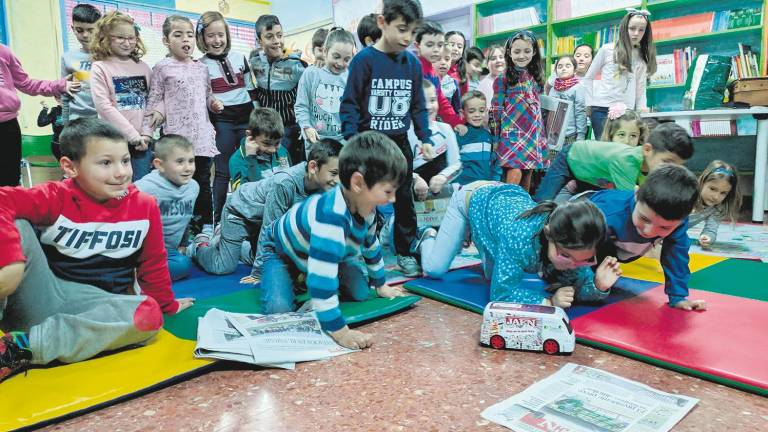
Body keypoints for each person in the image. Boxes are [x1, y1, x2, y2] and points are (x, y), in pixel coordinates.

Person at [0, 118, 193, 383]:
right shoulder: (56, 196)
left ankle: (19, 349)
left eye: (125, 161)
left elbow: (154, 263)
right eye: (105, 163)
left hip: (96, 311)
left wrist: (167, 305)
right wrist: (10, 262)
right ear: (70, 167)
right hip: (42, 296)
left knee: (149, 315)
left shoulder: (144, 206)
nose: (121, 173)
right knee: (16, 224)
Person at [259, 131, 409, 350]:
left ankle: (307, 274)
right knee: (279, 311)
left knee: (360, 292)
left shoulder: (367, 207)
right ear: (358, 183)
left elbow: (370, 244)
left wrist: (381, 284)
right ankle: (298, 274)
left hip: (320, 250)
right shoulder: (331, 216)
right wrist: (340, 333)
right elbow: (321, 282)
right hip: (281, 251)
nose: (392, 199)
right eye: (388, 191)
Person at [416, 182, 620, 307]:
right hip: (471, 198)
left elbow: (578, 286)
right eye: (565, 256)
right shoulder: (520, 239)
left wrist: (598, 285)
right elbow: (500, 294)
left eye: (584, 261)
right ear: (548, 234)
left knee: (491, 274)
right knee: (434, 269)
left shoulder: (574, 243)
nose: (573, 265)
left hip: (501, 208)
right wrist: (548, 302)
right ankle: (427, 236)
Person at [340, 0, 431, 277]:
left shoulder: (412, 64)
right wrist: (353, 140)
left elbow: (418, 105)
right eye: (402, 29)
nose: (407, 38)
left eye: (412, 32)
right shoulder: (364, 60)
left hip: (399, 142)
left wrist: (424, 136)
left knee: (403, 199)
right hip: (369, 143)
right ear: (382, 23)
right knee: (363, 200)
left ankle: (405, 252)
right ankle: (354, 251)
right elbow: (350, 103)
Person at [191, 139, 342, 280]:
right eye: (334, 173)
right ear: (313, 167)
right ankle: (200, 246)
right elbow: (269, 229)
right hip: (240, 212)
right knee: (223, 266)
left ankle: (225, 242)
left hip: (263, 216)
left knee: (259, 256)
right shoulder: (285, 184)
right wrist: (258, 273)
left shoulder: (325, 186)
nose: (338, 180)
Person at [143, 15, 223, 237]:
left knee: (202, 181)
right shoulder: (161, 67)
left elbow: (207, 94)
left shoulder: (201, 68)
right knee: (176, 184)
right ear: (166, 41)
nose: (185, 39)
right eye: (178, 35)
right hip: (176, 138)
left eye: (189, 34)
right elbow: (154, 99)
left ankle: (206, 226)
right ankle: (180, 229)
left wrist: (213, 104)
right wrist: (146, 133)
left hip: (202, 136)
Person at [586, 164, 706, 311]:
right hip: (575, 224)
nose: (649, 231)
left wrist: (678, 297)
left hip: (618, 245)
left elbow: (676, 257)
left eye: (664, 227)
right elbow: (571, 244)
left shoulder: (677, 221)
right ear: (636, 195)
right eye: (644, 218)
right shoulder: (608, 215)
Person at [534, 122, 693, 203]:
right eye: (667, 161)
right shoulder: (626, 163)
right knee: (543, 202)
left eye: (678, 166)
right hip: (571, 157)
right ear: (647, 149)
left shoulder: (651, 166)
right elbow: (630, 203)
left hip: (594, 173)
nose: (673, 170)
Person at [197, 11, 256, 225]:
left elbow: (251, 90)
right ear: (202, 38)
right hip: (223, 122)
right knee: (222, 173)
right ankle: (218, 221)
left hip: (247, 119)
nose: (217, 40)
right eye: (211, 35)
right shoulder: (200, 65)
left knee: (248, 167)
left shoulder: (240, 58)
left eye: (220, 34)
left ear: (227, 35)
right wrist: (213, 103)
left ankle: (249, 216)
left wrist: (256, 117)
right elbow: (204, 96)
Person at [0, 44, 79, 187]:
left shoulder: (3, 52)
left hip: (7, 125)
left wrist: (58, 86)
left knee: (9, 179)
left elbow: (26, 83)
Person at [89, 11, 153, 181]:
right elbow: (104, 106)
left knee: (141, 187)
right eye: (120, 38)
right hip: (113, 141)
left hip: (142, 143)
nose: (127, 43)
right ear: (106, 38)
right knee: (116, 187)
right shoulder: (100, 67)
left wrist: (146, 133)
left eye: (131, 38)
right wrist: (132, 135)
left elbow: (151, 103)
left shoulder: (144, 67)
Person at [583, 9, 657, 139]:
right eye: (632, 28)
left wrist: (640, 110)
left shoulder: (642, 57)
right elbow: (588, 78)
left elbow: (640, 88)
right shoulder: (607, 49)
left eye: (641, 30)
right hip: (601, 110)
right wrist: (588, 104)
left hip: (627, 112)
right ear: (624, 28)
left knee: (621, 151)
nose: (636, 33)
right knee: (604, 150)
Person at [134, 135, 199, 281]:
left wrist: (183, 244)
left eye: (191, 161)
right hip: (141, 251)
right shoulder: (144, 188)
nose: (188, 168)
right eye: (180, 162)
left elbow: (186, 217)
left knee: (183, 264)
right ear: (159, 165)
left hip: (168, 252)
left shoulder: (194, 187)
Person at [490, 30, 547, 190]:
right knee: (514, 172)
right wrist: (495, 139)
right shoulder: (503, 78)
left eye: (527, 51)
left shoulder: (535, 78)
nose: (522, 55)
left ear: (534, 52)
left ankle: (524, 209)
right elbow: (495, 110)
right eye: (517, 51)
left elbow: (537, 110)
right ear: (509, 52)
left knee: (528, 173)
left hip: (532, 135)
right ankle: (508, 207)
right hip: (512, 135)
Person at [250, 14, 307, 164]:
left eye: (279, 35)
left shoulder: (296, 65)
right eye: (269, 37)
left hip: (289, 129)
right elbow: (254, 91)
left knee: (287, 167)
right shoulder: (255, 63)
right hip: (265, 130)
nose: (277, 41)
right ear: (259, 41)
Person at [295, 28, 355, 149]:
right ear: (326, 51)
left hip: (343, 141)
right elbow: (301, 106)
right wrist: (306, 127)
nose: (340, 63)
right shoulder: (311, 74)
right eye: (336, 56)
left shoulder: (350, 77)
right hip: (316, 141)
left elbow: (353, 109)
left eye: (346, 59)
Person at [411, 80, 461, 201]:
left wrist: (443, 176)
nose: (428, 106)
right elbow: (398, 169)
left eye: (432, 100)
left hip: (443, 197)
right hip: (411, 200)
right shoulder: (403, 134)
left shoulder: (445, 129)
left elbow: (457, 164)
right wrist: (415, 178)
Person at [413, 21, 464, 130]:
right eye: (430, 45)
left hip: (427, 125)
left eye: (440, 45)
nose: (436, 49)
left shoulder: (433, 73)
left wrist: (455, 122)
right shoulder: (412, 68)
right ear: (418, 46)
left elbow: (440, 100)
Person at [228, 107, 290, 190]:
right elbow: (245, 195)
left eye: (277, 143)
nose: (273, 150)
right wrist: (251, 159)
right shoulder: (237, 160)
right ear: (250, 135)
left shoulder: (282, 151)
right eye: (266, 143)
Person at [61, 3, 101, 124]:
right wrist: (65, 122)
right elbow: (65, 91)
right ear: (73, 29)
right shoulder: (67, 57)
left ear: (99, 29)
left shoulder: (108, 56)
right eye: (79, 30)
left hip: (104, 118)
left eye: (90, 30)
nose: (85, 35)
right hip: (77, 119)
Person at [690, 160, 742, 248]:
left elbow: (711, 229)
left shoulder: (716, 207)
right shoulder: (686, 195)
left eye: (723, 193)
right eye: (712, 189)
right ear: (702, 182)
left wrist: (707, 237)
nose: (716, 197)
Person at [455, 91, 500, 185]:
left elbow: (493, 162)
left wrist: (495, 181)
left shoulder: (488, 135)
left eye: (481, 110)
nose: (477, 114)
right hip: (464, 185)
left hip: (485, 185)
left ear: (486, 111)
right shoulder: (461, 134)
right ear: (462, 113)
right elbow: (453, 163)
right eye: (471, 111)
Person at [547, 55, 586, 145]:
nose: (563, 69)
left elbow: (580, 112)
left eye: (567, 66)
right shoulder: (553, 89)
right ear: (556, 71)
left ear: (575, 70)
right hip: (553, 134)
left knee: (568, 158)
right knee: (553, 158)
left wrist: (581, 135)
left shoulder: (578, 88)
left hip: (570, 134)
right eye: (560, 66)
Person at [435, 45, 461, 115]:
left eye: (447, 59)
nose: (443, 62)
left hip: (446, 124)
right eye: (438, 59)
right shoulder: (424, 81)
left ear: (451, 61)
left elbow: (457, 109)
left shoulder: (453, 83)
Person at [477, 44, 504, 109]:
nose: (498, 60)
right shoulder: (483, 85)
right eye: (493, 58)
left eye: (501, 57)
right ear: (486, 64)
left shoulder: (512, 80)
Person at [445, 30, 468, 95]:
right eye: (452, 45)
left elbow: (464, 98)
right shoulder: (436, 68)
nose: (456, 49)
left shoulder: (463, 73)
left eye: (459, 47)